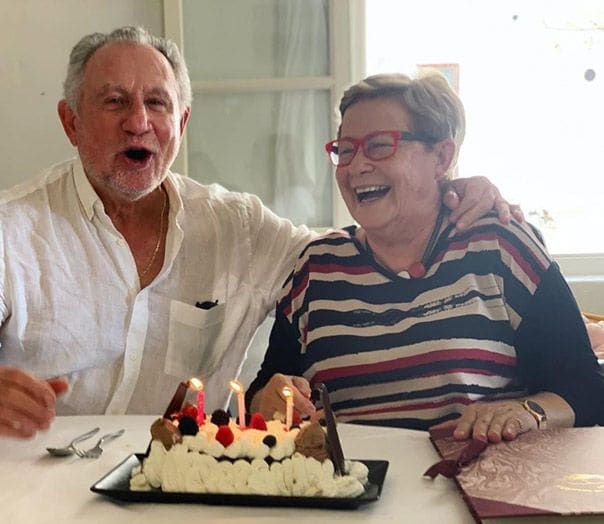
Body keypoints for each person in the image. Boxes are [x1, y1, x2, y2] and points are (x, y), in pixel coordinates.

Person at [0, 27, 518, 440]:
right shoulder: (2, 228)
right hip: (27, 488)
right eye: (113, 102)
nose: (138, 121)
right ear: (70, 121)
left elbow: (359, 250)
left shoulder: (239, 226)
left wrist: (448, 195)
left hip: (183, 489)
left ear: (182, 122)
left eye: (157, 103)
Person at [246, 72, 604, 443]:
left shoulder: (501, 249)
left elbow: (586, 391)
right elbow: (265, 392)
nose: (355, 166)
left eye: (380, 145)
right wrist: (266, 399)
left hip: (474, 489)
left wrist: (526, 411)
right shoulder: (316, 268)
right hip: (349, 491)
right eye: (346, 149)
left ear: (442, 156)